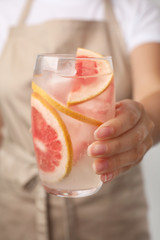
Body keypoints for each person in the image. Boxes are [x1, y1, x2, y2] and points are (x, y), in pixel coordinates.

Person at [0, 0, 160, 239]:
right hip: (15, 204)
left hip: (111, 209)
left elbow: (153, 90)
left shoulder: (136, 6)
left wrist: (142, 122)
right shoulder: (6, 9)